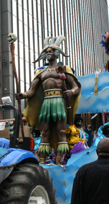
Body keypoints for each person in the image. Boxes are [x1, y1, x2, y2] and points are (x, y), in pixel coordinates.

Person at [16, 36, 82, 164]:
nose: (48, 53)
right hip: (46, 103)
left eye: (50, 51)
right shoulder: (41, 73)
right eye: (46, 52)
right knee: (45, 132)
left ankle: (59, 159)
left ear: (57, 53)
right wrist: (22, 95)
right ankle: (42, 160)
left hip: (59, 102)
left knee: (61, 131)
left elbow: (76, 87)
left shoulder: (64, 69)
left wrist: (71, 92)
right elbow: (32, 91)